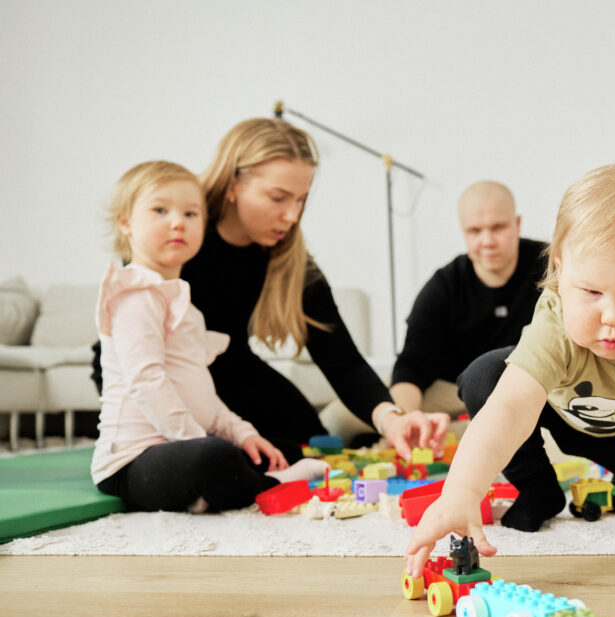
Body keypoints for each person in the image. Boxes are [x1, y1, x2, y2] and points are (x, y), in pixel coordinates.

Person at [405, 163, 615, 574]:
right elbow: (511, 409)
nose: (612, 317)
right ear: (561, 273)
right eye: (592, 292)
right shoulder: (555, 320)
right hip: (553, 406)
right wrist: (460, 491)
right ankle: (537, 488)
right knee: (485, 376)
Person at [93, 118, 449, 458]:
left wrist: (392, 419)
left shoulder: (289, 258)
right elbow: (136, 324)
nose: (292, 216)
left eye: (300, 200)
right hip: (152, 364)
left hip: (231, 367)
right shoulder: (181, 232)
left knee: (306, 441)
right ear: (233, 185)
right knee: (245, 456)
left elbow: (341, 358)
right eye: (278, 198)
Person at [93, 161, 326, 513]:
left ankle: (219, 487)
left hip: (183, 445)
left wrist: (243, 433)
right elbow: (145, 381)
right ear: (125, 222)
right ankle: (270, 485)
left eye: (191, 213)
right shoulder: (135, 294)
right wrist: (199, 439)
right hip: (133, 461)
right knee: (213, 457)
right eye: (160, 210)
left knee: (277, 448)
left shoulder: (185, 305)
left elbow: (202, 392)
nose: (178, 222)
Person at [386, 181, 547, 418]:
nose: (487, 241)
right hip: (451, 391)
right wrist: (406, 419)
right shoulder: (445, 285)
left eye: (498, 227)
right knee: (343, 420)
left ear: (517, 224)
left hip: (530, 390)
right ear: (463, 232)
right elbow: (411, 365)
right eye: (475, 231)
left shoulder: (552, 266)